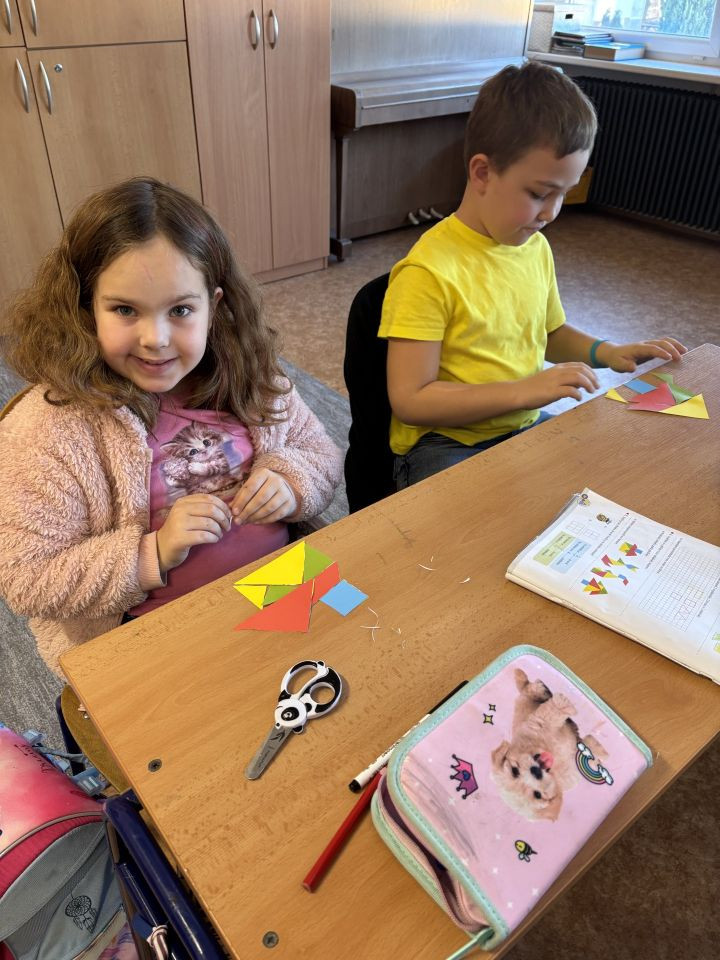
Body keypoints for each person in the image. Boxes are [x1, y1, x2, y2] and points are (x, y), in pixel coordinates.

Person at [0, 177, 342, 676]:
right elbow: (27, 577)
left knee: (373, 649)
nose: (156, 339)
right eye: (124, 309)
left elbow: (322, 454)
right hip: (161, 627)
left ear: (214, 306)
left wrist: (292, 482)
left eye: (180, 310)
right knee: (216, 713)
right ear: (84, 308)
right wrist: (153, 551)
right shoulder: (49, 429)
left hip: (285, 576)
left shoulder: (249, 374)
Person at [378, 62, 686, 489]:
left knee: (602, 478)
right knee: (474, 522)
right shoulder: (427, 274)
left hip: (517, 423)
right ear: (482, 173)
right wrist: (524, 390)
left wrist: (607, 352)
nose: (552, 212)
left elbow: (549, 333)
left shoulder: (533, 247)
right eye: (540, 194)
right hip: (447, 443)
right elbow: (412, 399)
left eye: (565, 193)